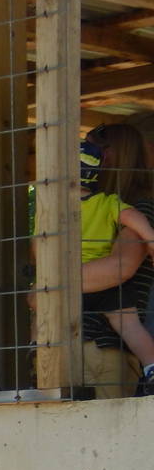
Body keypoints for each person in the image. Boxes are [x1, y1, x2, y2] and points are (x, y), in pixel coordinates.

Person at [77, 132, 154, 396]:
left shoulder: (137, 207)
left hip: (104, 344)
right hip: (75, 341)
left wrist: (47, 286)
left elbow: (119, 268)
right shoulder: (90, 207)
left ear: (107, 156)